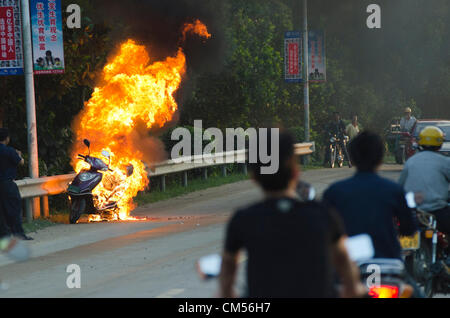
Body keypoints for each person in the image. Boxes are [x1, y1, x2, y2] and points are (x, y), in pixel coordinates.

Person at [219, 129, 365, 298]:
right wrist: (353, 289)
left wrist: (226, 292)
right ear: (295, 170)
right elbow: (344, 262)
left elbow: (228, 269)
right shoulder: (323, 214)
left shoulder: (242, 220)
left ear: (254, 176)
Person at [323, 131, 418, 260]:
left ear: (352, 158)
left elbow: (324, 233)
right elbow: (409, 229)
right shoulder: (394, 190)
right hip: (388, 263)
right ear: (380, 158)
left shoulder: (334, 192)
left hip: (349, 266)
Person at [398, 126, 450, 236]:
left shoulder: (411, 161)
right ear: (440, 143)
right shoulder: (444, 162)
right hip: (438, 211)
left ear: (420, 142)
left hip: (413, 212)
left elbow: (399, 187)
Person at [0, 128, 33, 240]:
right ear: (7, 138)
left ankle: (4, 235)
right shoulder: (9, 151)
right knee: (14, 208)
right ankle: (18, 234)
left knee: (2, 211)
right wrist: (18, 155)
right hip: (8, 184)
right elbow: (21, 162)